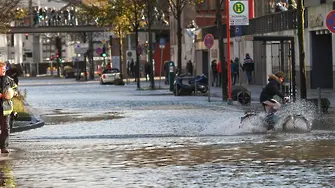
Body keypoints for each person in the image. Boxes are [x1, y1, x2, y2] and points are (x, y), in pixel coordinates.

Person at [0, 61, 18, 153]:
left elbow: (15, 88)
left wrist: (14, 93)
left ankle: (4, 147)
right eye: (2, 69)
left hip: (6, 108)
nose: (3, 70)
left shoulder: (9, 79)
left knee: (5, 128)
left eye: (4, 69)